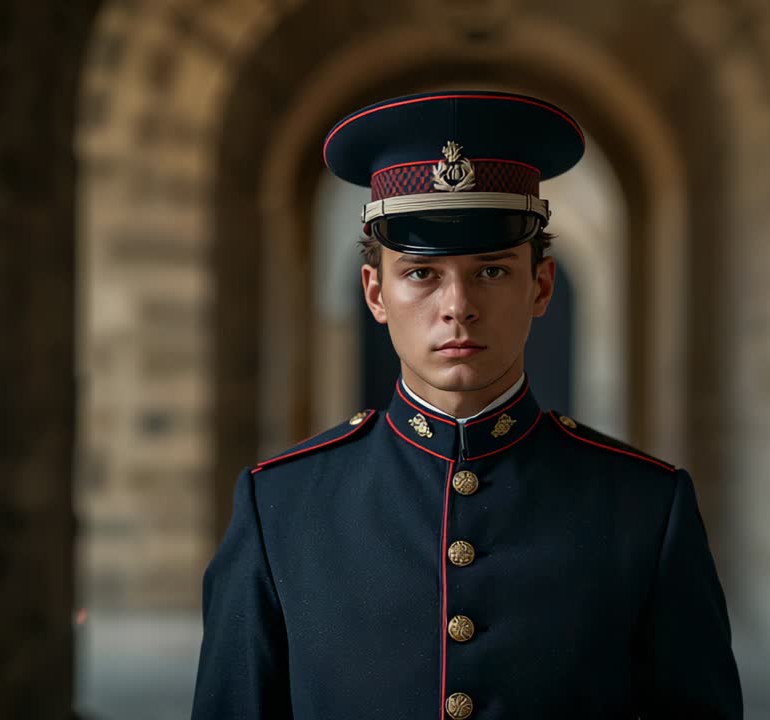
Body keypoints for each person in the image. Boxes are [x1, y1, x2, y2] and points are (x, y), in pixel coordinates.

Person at [191, 89, 742, 720]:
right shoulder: (281, 505)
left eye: (492, 270)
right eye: (422, 273)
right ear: (375, 292)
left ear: (541, 285)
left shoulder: (646, 506)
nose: (457, 306)